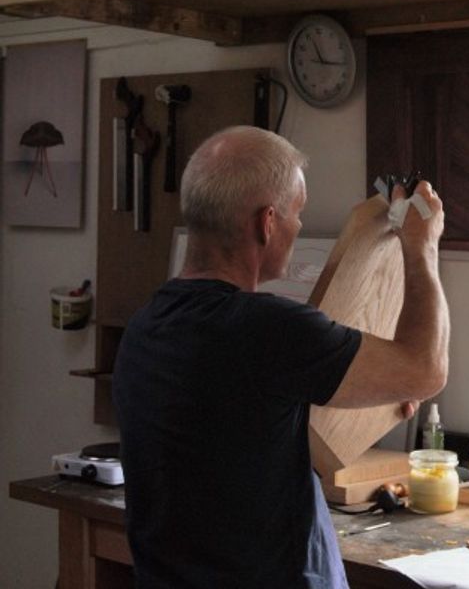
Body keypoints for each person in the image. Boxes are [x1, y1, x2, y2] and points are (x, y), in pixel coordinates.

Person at [112, 125, 449, 588]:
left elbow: (249, 424)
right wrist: (423, 249)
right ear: (266, 223)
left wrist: (372, 401)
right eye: (297, 212)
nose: (300, 226)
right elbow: (425, 370)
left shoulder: (146, 327)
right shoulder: (267, 329)